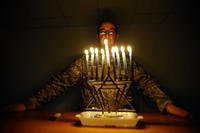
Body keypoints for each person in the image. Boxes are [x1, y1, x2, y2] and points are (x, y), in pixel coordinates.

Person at [2, 20, 189, 118]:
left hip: (124, 118)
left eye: (111, 32)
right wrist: (29, 104)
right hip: (90, 117)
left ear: (117, 36)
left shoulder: (127, 62)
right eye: (102, 32)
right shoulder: (85, 62)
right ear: (97, 37)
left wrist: (166, 105)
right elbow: (59, 83)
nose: (106, 35)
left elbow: (147, 84)